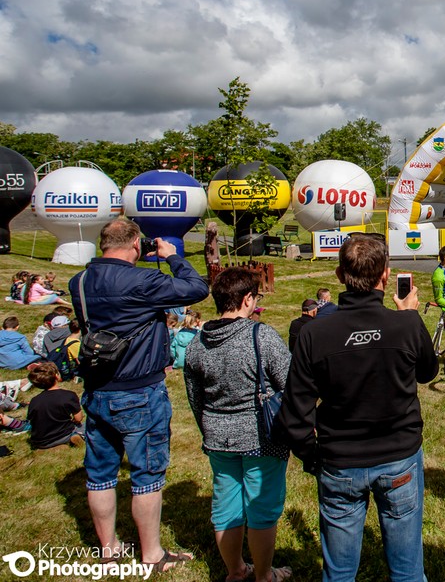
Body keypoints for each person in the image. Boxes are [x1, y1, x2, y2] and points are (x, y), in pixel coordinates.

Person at [275, 234, 438, 582]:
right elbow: (428, 373)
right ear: (385, 276)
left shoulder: (315, 333)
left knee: (339, 574)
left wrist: (313, 456)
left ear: (339, 275)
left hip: (340, 460)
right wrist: (407, 319)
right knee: (408, 571)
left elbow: (293, 413)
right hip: (398, 457)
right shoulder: (404, 324)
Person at [67, 218, 209, 571]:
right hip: (139, 389)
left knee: (99, 473)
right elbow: (195, 288)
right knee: (147, 474)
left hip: (97, 389)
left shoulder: (79, 282)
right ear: (135, 244)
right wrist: (173, 256)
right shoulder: (144, 280)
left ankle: (109, 547)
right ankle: (152, 554)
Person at [184, 267, 292, 582]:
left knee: (226, 503)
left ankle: (235, 570)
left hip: (218, 436)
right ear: (247, 299)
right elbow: (291, 383)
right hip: (262, 436)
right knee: (261, 508)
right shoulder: (261, 335)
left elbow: (195, 398)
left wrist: (209, 427)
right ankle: (263, 575)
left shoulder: (197, 343)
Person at [26, 361, 84, 450]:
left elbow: (32, 420)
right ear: (56, 376)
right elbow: (78, 418)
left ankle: (52, 447)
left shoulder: (34, 400)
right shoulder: (68, 395)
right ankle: (74, 437)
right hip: (63, 435)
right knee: (90, 425)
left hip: (40, 441)